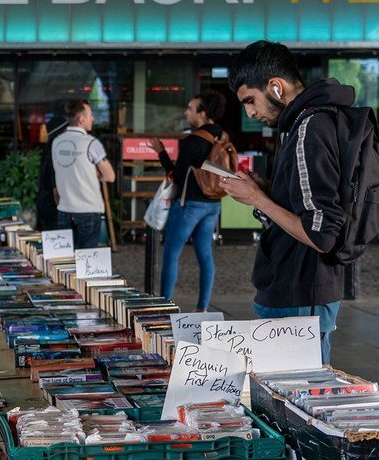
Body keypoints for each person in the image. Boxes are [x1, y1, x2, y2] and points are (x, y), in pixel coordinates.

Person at [223, 40, 351, 364]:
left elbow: (321, 233)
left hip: (301, 293)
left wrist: (258, 199)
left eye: (250, 100)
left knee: (295, 402)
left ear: (275, 87)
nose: (250, 113)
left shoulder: (311, 127)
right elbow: (304, 202)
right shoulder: (297, 125)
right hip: (289, 287)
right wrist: (265, 190)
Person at [150, 91, 227, 312]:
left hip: (190, 204)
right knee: (205, 254)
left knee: (171, 253)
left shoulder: (193, 140)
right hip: (213, 203)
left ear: (202, 114)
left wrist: (161, 153)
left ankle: (164, 307)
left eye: (191, 108)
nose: (186, 112)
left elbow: (177, 175)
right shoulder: (222, 136)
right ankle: (202, 307)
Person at [52, 100, 115, 249]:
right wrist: (93, 173)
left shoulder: (56, 142)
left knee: (66, 261)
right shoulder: (91, 143)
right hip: (88, 211)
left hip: (64, 210)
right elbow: (110, 176)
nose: (92, 119)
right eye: (90, 115)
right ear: (81, 119)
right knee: (87, 262)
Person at [36, 114, 68, 231]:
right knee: (56, 244)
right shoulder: (57, 152)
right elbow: (56, 189)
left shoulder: (49, 150)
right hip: (52, 206)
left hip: (44, 202)